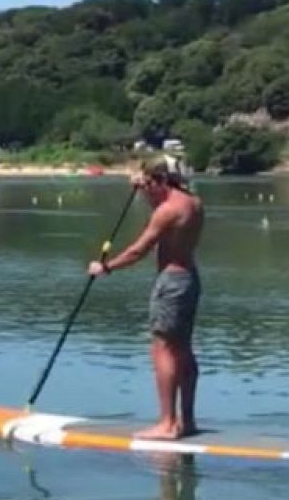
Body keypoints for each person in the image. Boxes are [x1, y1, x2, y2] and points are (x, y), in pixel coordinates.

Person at [87, 161, 205, 440]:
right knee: (183, 348)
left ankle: (166, 424)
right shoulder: (193, 203)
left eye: (150, 185)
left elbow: (139, 250)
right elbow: (166, 221)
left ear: (162, 179)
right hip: (190, 279)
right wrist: (144, 192)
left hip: (171, 283)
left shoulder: (167, 211)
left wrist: (106, 268)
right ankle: (186, 421)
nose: (147, 190)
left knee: (162, 348)